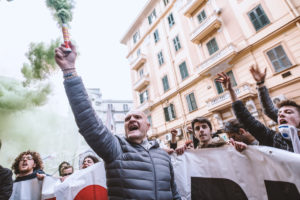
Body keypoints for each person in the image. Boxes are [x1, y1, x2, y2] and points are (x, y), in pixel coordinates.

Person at [54, 43, 181, 199]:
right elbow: (89, 122)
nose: (131, 120)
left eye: (137, 117)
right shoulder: (116, 149)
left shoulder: (163, 156)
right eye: (127, 119)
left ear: (148, 126)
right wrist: (69, 71)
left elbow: (174, 192)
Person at [217, 72, 300, 152]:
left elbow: (268, 109)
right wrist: (231, 90)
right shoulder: (274, 139)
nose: (281, 114)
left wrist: (261, 84)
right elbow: (246, 118)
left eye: (288, 112)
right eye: (279, 114)